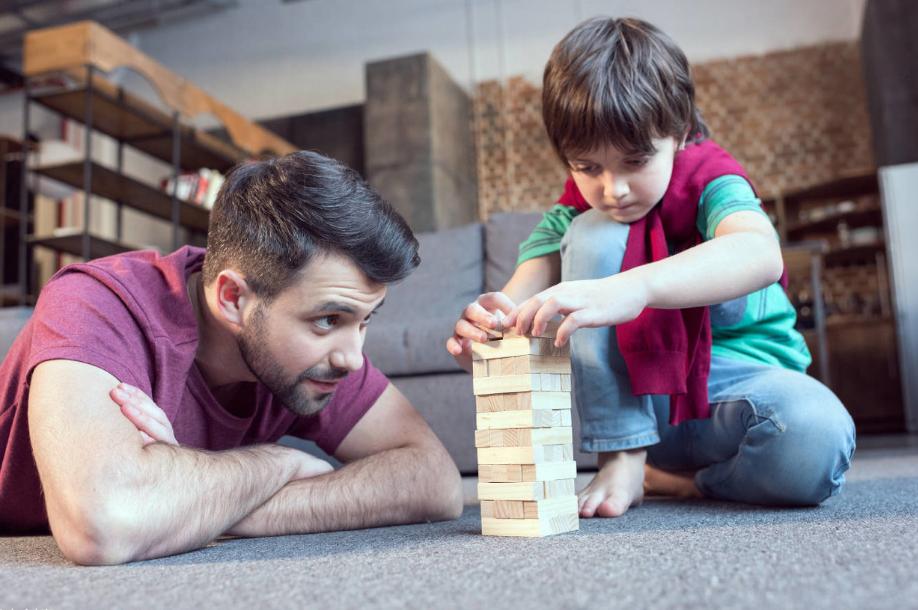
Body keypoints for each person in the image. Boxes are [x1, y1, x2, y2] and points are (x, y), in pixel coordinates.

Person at [447, 16, 855, 519]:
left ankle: (680, 485)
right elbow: (515, 302)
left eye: (635, 162)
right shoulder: (573, 216)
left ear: (680, 132)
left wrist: (633, 288)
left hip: (733, 401)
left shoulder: (714, 182)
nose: (612, 189)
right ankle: (622, 454)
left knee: (817, 434)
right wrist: (489, 336)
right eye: (588, 167)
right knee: (594, 230)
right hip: (642, 408)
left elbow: (760, 253)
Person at [0, 150, 463, 564]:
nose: (353, 359)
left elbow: (436, 481)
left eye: (365, 320)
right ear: (232, 299)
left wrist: (201, 498)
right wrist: (278, 464)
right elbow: (103, 525)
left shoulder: (315, 363)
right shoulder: (98, 303)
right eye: (328, 320)